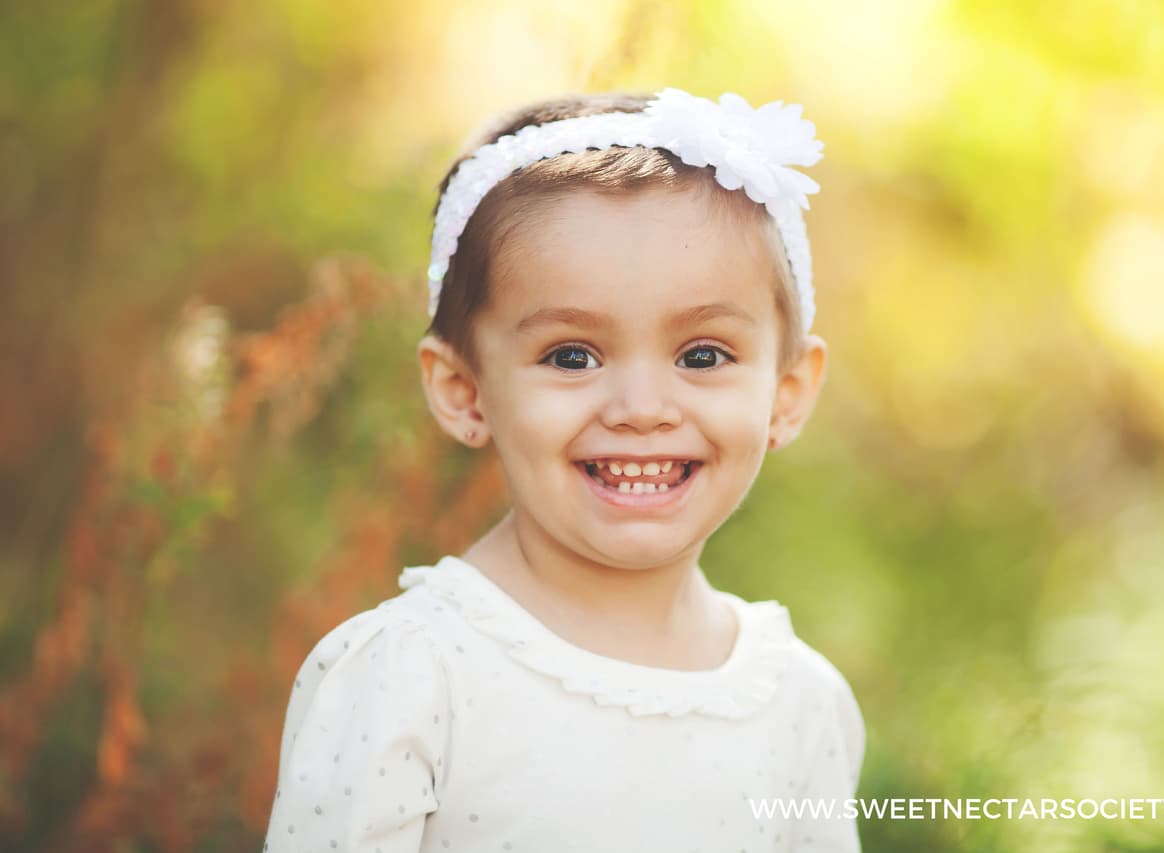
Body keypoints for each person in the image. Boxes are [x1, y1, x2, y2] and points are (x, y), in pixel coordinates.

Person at [264, 88, 866, 852]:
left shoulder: (797, 701)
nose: (642, 407)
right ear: (464, 390)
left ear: (786, 395)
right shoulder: (413, 678)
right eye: (571, 356)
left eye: (702, 355)